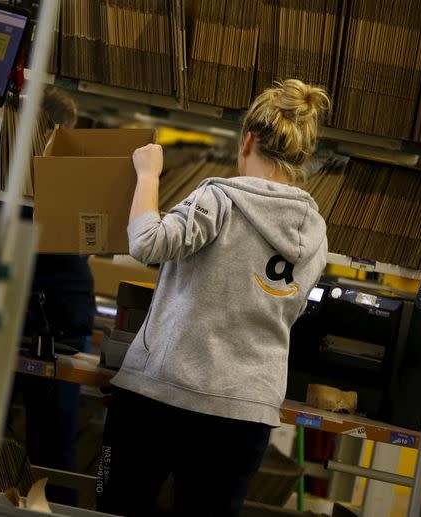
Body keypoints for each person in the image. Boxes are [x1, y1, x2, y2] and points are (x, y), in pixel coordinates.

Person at [96, 79, 330, 517]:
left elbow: (147, 243)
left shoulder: (219, 198)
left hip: (163, 394)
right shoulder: (316, 234)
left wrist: (148, 174)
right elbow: (290, 311)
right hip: (245, 415)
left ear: (246, 140)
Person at [0, 88, 94, 506]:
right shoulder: (73, 176)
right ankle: (53, 509)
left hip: (10, 318)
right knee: (52, 447)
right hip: (59, 324)